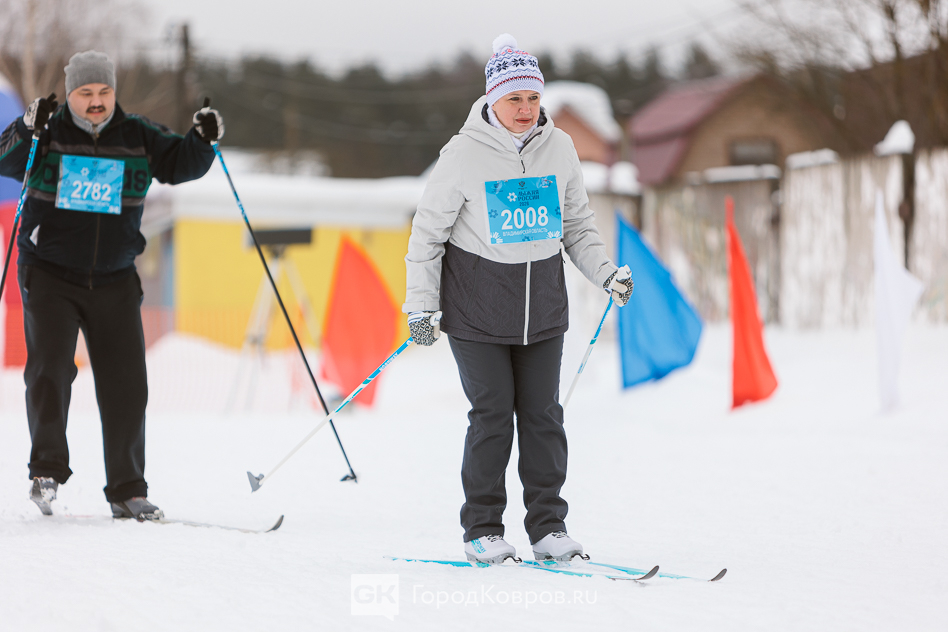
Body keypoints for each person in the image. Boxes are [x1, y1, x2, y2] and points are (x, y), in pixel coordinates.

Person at [403, 34, 633, 564]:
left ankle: (549, 529)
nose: (526, 109)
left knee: (543, 417)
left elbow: (577, 226)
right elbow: (427, 234)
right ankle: (482, 530)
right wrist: (421, 306)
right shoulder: (462, 154)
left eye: (533, 98)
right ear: (492, 99)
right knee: (492, 416)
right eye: (514, 99)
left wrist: (605, 275)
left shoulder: (561, 147)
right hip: (477, 310)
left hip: (543, 309)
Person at [0, 51, 224, 520]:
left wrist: (203, 141)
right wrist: (25, 127)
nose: (96, 101)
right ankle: (46, 471)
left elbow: (180, 162)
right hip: (50, 272)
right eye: (86, 93)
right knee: (50, 370)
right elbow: (4, 158)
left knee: (127, 383)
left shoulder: (137, 135)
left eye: (104, 91)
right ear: (71, 95)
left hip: (115, 276)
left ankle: (128, 490)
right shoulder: (48, 132)